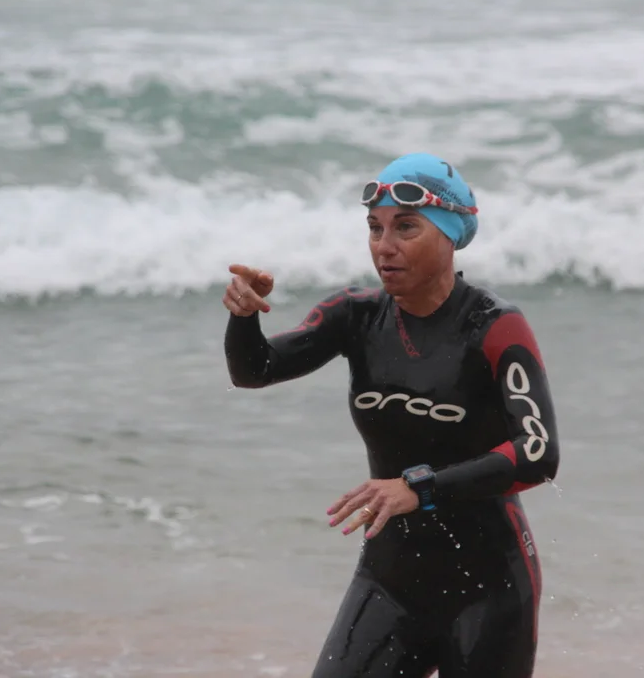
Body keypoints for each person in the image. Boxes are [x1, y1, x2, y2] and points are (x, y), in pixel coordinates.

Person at [222, 152, 560, 678]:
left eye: (406, 227)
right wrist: (244, 317)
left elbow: (538, 454)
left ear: (450, 235)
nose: (384, 245)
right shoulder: (356, 316)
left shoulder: (494, 326)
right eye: (375, 228)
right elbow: (255, 370)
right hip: (389, 584)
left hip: (489, 588)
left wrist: (418, 487)